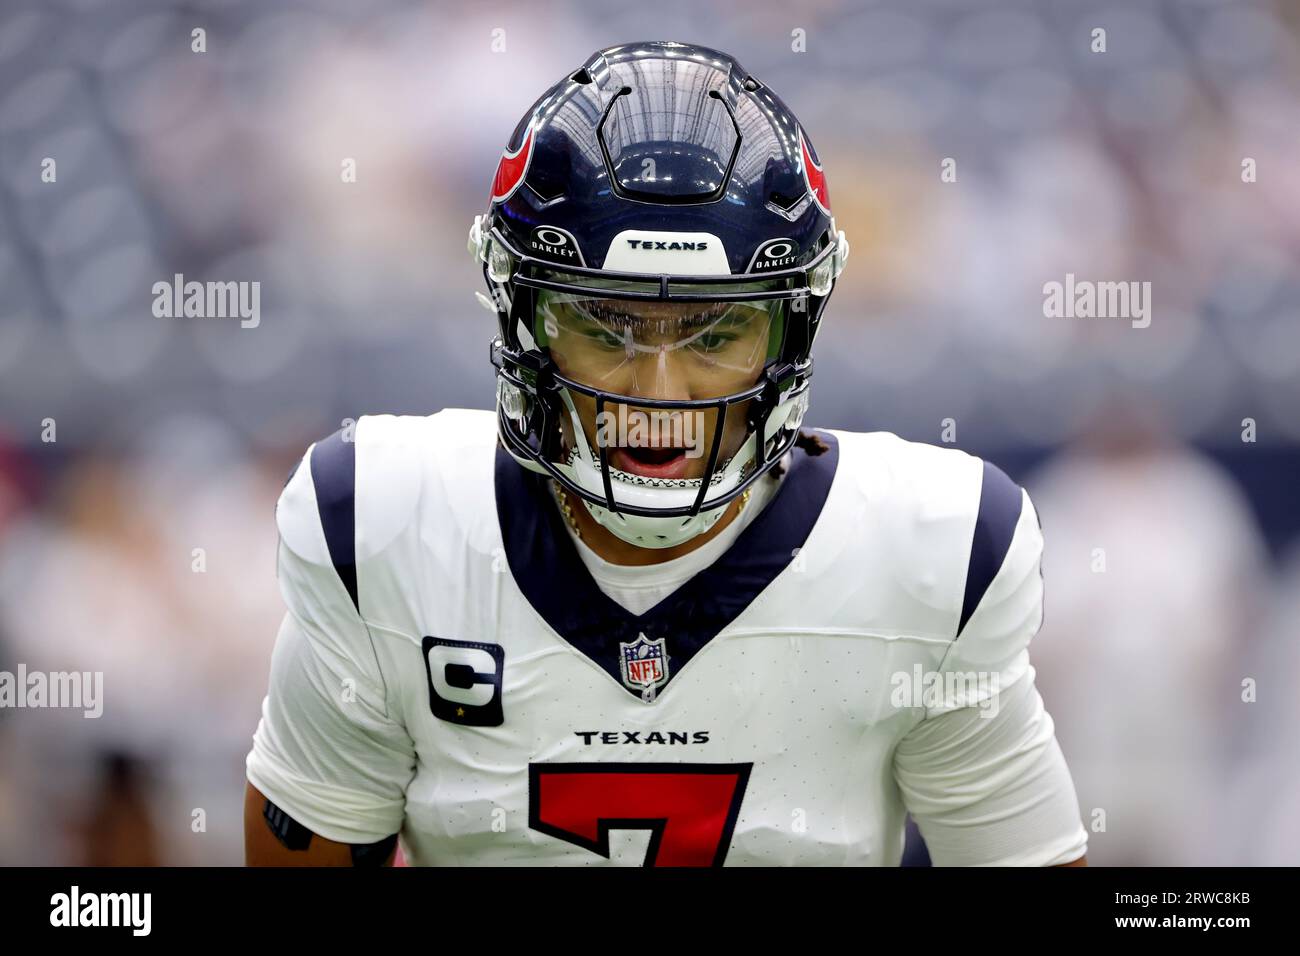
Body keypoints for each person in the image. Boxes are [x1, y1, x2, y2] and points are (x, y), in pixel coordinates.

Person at [244, 40, 1087, 867]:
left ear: (792, 327)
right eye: (603, 324)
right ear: (521, 316)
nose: (659, 391)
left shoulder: (930, 557)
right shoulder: (383, 532)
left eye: (717, 330)